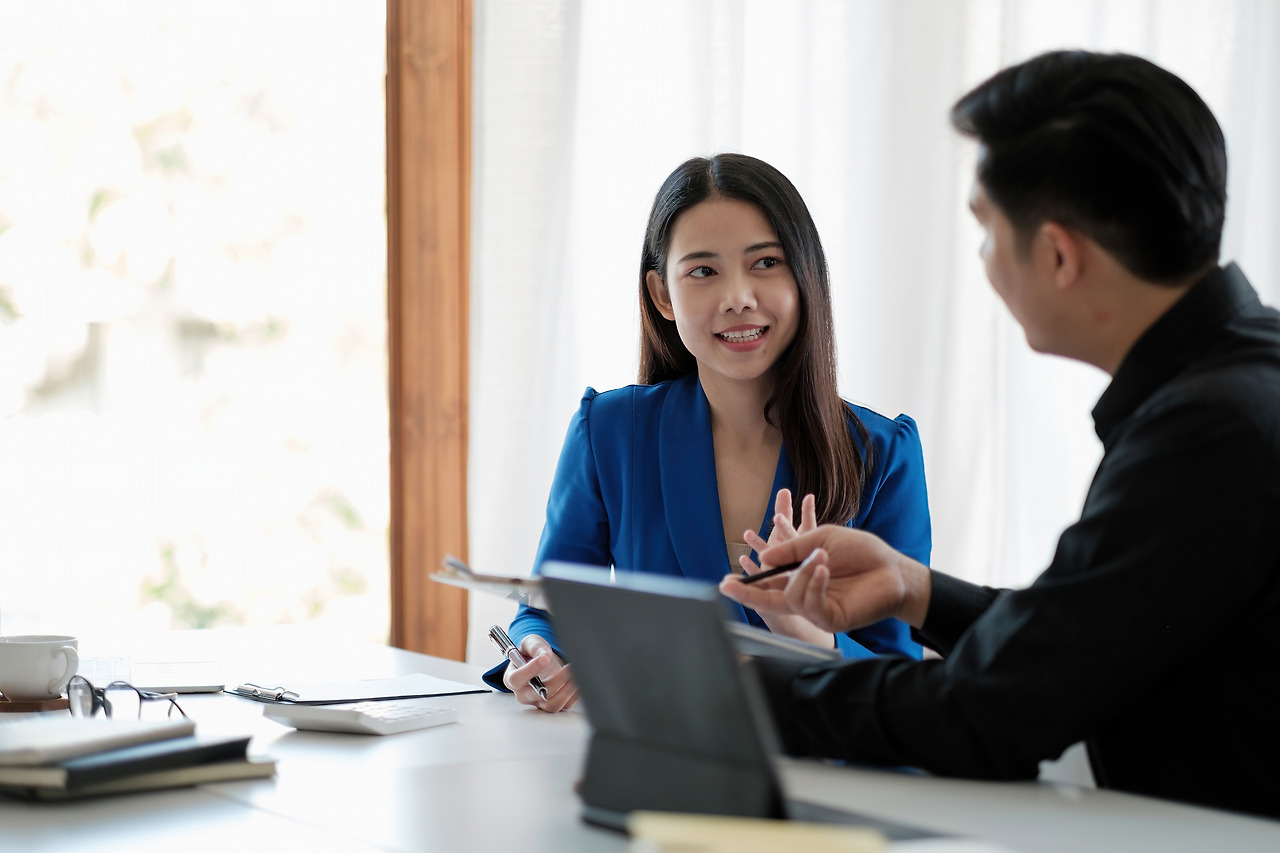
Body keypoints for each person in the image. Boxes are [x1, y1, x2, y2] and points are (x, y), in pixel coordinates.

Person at [720, 50, 1280, 820]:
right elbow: (1092, 636)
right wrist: (914, 588)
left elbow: (988, 711)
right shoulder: (1247, 376)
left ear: (1057, 255)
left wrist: (732, 690)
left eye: (985, 231)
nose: (984, 261)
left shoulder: (1206, 432)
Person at [487, 153, 933, 711]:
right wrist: (540, 653)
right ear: (662, 295)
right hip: (656, 746)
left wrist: (805, 633)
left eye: (765, 262)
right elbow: (548, 608)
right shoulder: (609, 432)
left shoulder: (882, 454)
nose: (738, 297)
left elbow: (900, 683)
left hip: (808, 755)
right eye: (703, 271)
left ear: (805, 277)